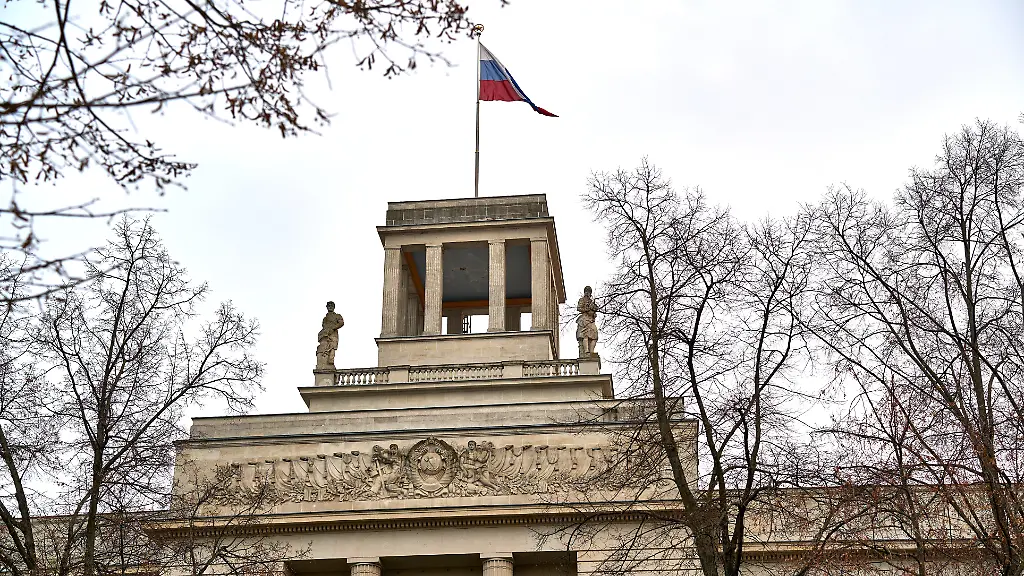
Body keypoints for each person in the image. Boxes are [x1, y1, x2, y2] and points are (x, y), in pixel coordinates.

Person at [316, 301, 345, 369]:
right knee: (323, 348)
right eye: (329, 306)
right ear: (326, 307)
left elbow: (341, 323)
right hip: (325, 334)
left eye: (332, 306)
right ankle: (324, 364)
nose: (330, 307)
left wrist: (333, 328)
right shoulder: (325, 318)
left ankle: (330, 362)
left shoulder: (337, 315)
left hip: (333, 334)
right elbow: (324, 325)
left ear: (334, 307)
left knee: (332, 348)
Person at [576, 286, 599, 358]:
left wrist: (593, 312)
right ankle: (586, 351)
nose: (588, 293)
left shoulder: (591, 301)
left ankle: (591, 352)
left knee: (595, 336)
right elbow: (579, 308)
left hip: (591, 320)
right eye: (587, 291)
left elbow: (595, 311)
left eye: (589, 292)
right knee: (585, 335)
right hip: (584, 319)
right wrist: (587, 309)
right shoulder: (582, 300)